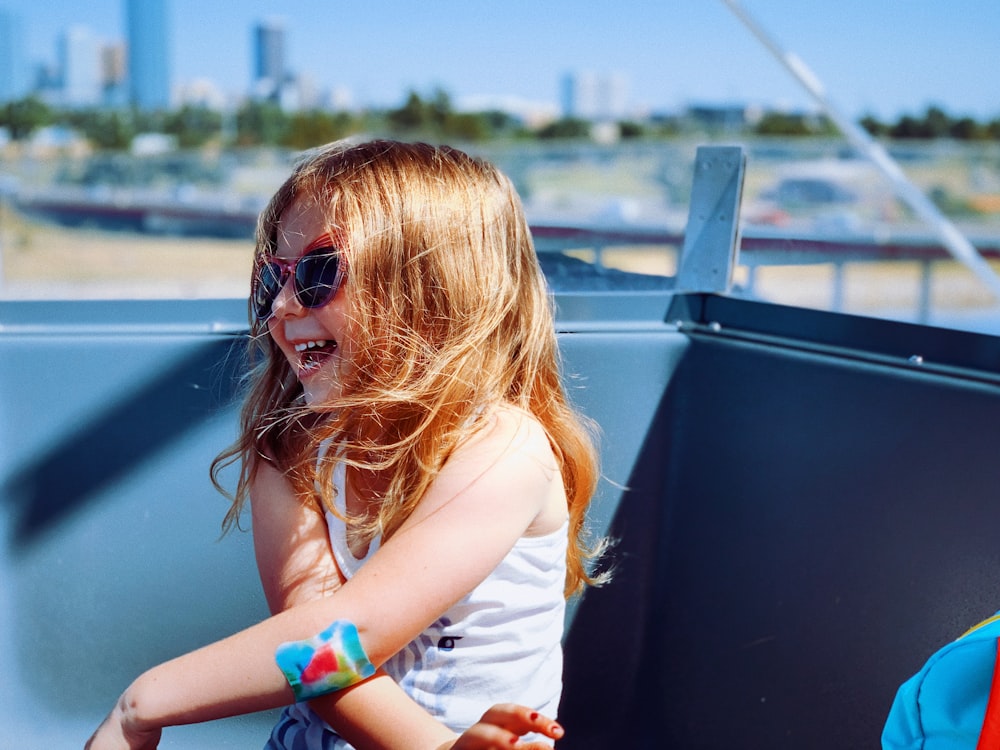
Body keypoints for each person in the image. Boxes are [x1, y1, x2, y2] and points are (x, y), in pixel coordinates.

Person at [86, 139, 603, 749]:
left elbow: (351, 633)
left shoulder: (502, 450)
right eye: (271, 279)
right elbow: (319, 656)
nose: (280, 306)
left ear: (432, 287)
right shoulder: (291, 451)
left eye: (318, 273)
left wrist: (142, 703)